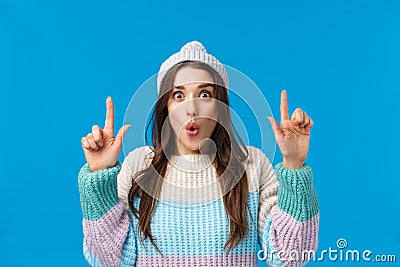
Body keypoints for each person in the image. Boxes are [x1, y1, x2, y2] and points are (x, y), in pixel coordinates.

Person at [78, 40, 319, 267]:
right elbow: (108, 259)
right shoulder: (138, 166)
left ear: (219, 106)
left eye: (205, 95)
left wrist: (294, 165)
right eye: (178, 95)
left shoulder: (252, 165)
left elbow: (290, 256)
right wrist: (100, 176)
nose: (191, 109)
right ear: (166, 107)